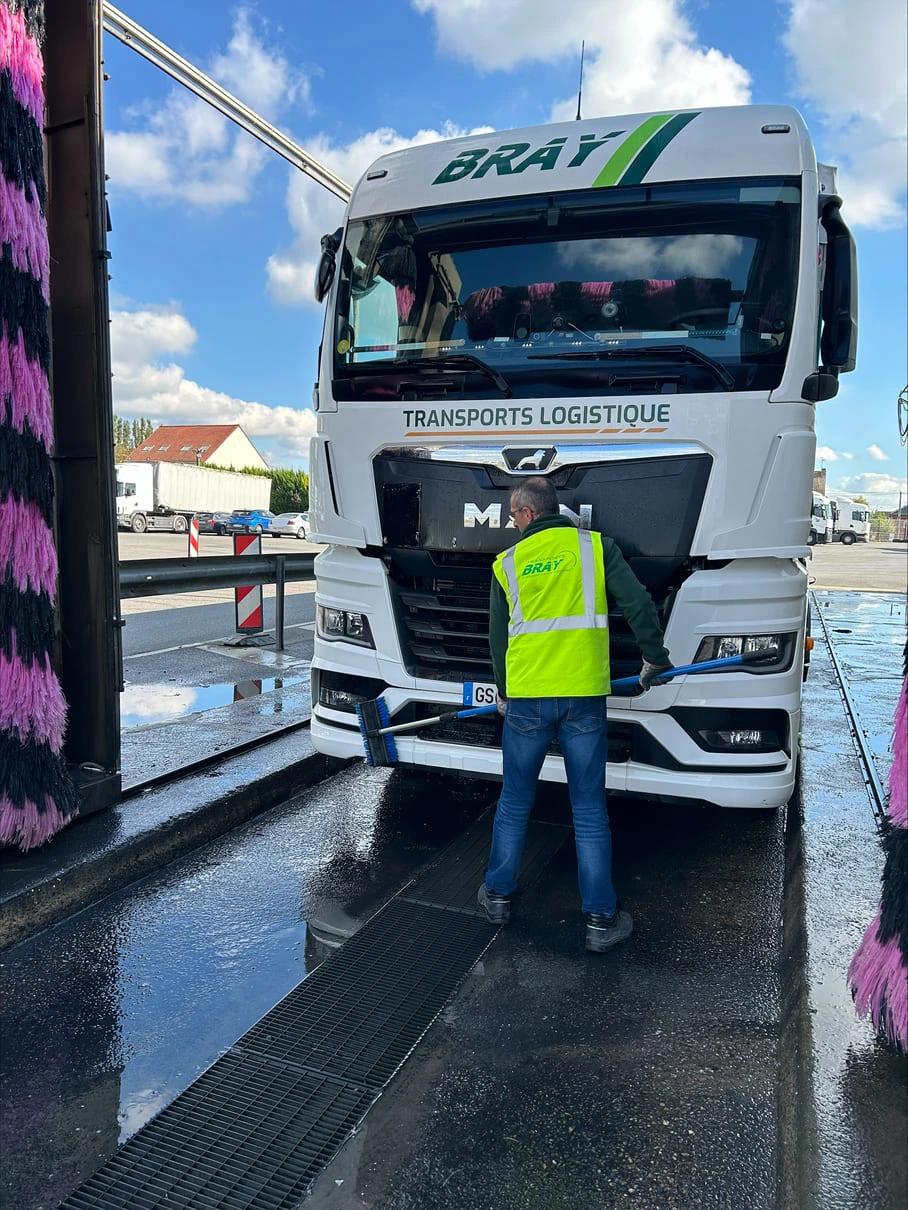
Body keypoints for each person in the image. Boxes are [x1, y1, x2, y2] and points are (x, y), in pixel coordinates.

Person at [478, 476, 671, 952]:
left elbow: (497, 640)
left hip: (527, 700)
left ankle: (498, 896)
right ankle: (601, 921)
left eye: (512, 515)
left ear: (525, 513)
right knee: (588, 810)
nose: (512, 522)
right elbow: (638, 604)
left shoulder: (507, 563)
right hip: (584, 697)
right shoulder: (594, 548)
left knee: (515, 801)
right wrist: (654, 659)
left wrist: (503, 692)